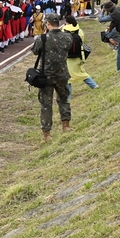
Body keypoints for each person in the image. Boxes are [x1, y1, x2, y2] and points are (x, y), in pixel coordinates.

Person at [31, 13, 73, 143]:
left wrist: (44, 34)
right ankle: (66, 125)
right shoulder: (67, 37)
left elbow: (35, 51)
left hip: (46, 76)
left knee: (46, 104)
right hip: (62, 73)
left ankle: (47, 134)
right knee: (63, 99)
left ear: (47, 24)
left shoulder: (42, 39)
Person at [63, 15, 98, 94]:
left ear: (67, 22)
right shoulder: (80, 31)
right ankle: (94, 85)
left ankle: (68, 96)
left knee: (67, 77)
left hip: (68, 57)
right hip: (79, 55)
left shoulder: (64, 31)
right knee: (81, 73)